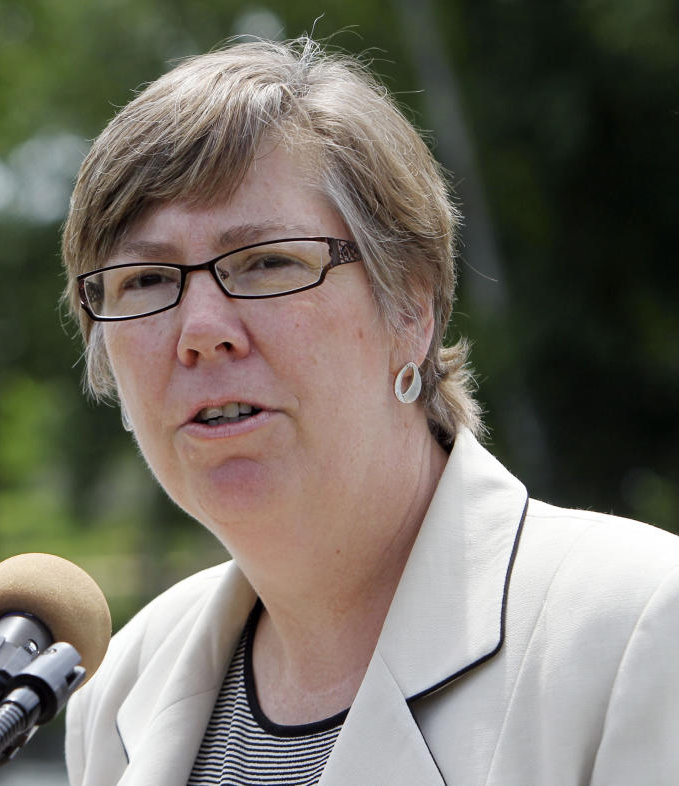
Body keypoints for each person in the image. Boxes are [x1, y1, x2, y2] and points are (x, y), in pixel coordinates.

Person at [59, 37, 679, 785]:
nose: (199, 333)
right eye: (148, 280)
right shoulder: (120, 692)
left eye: (266, 262)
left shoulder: (638, 628)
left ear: (411, 307)